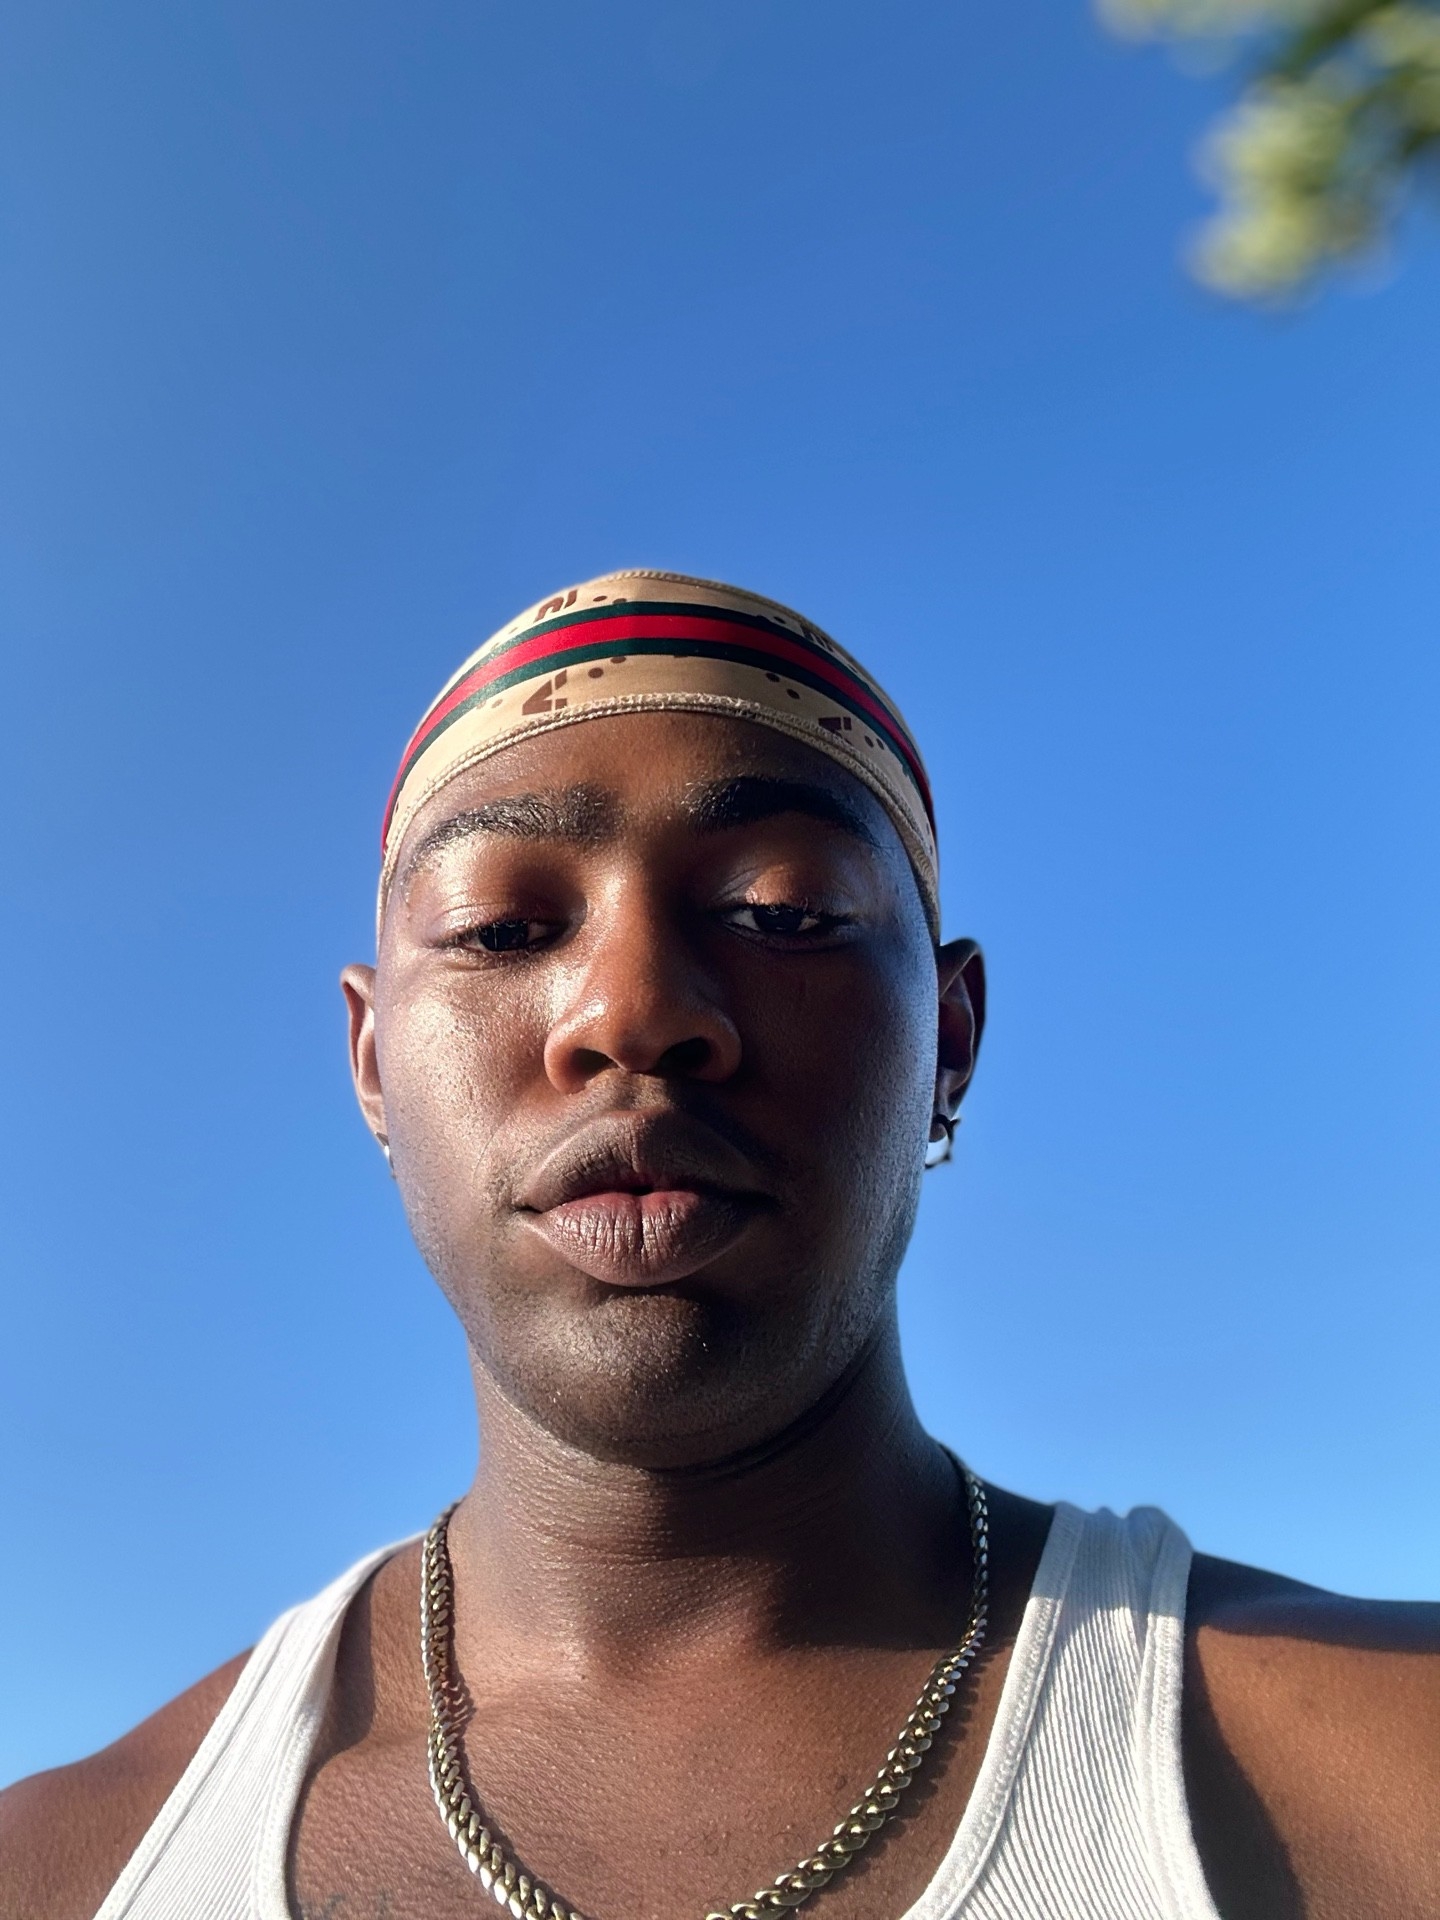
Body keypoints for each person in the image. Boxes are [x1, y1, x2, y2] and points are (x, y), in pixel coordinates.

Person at [1, 570, 1435, 1920]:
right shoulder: (68, 1871)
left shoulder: (1389, 1767)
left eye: (783, 911)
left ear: (948, 1042)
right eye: (501, 928)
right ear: (374, 1064)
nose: (630, 1011)